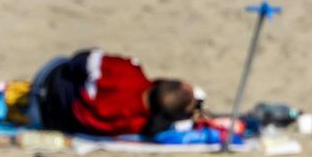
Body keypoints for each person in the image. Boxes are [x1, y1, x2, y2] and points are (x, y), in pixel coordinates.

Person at [30, 49, 199, 137]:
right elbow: (157, 128)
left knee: (81, 61)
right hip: (44, 119)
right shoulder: (138, 123)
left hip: (47, 79)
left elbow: (78, 61)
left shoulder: (129, 71)